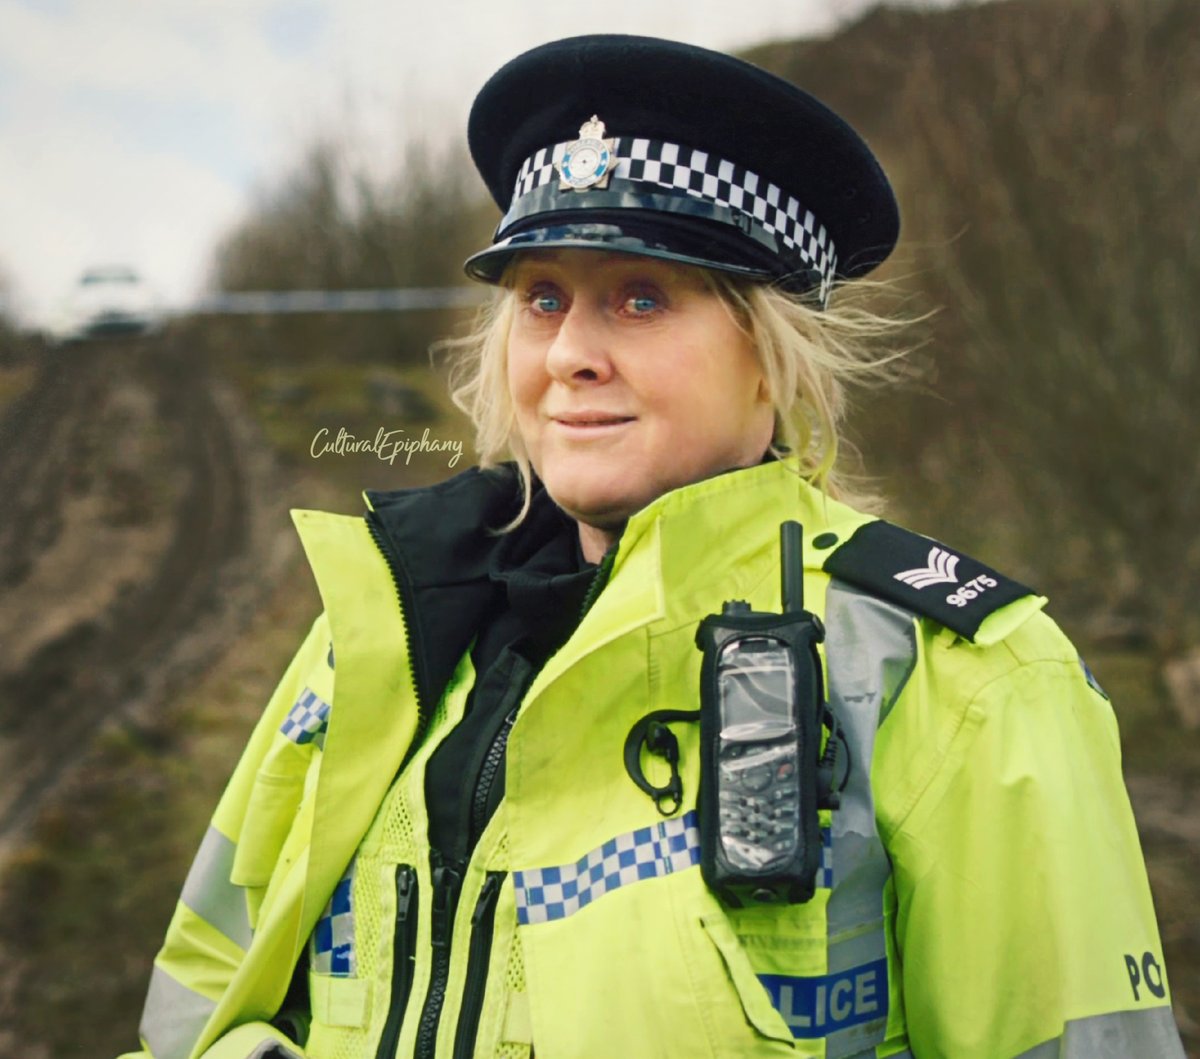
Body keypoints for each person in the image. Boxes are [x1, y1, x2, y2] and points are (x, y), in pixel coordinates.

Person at [121, 34, 1185, 1059]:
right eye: (543, 298)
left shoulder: (957, 677)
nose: (572, 354)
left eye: (640, 297)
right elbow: (203, 994)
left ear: (771, 357)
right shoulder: (379, 630)